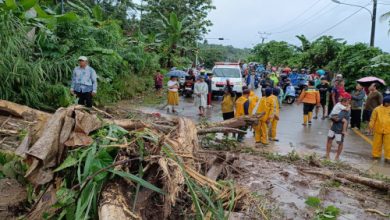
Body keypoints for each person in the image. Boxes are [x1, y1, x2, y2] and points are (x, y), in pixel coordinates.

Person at [326, 96, 351, 160]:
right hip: (333, 127)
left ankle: (337, 157)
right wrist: (332, 118)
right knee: (329, 140)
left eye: (348, 102)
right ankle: (327, 155)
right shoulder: (340, 106)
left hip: (339, 128)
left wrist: (332, 118)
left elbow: (337, 119)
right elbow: (333, 117)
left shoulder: (345, 110)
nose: (347, 104)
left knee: (339, 142)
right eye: (346, 102)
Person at [369, 96, 390, 162]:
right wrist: (371, 127)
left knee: (388, 144)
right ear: (384, 102)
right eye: (387, 102)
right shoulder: (377, 109)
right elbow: (373, 119)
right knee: (377, 143)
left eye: (389, 103)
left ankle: (388, 157)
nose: (388, 104)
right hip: (378, 129)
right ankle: (376, 155)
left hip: (388, 130)